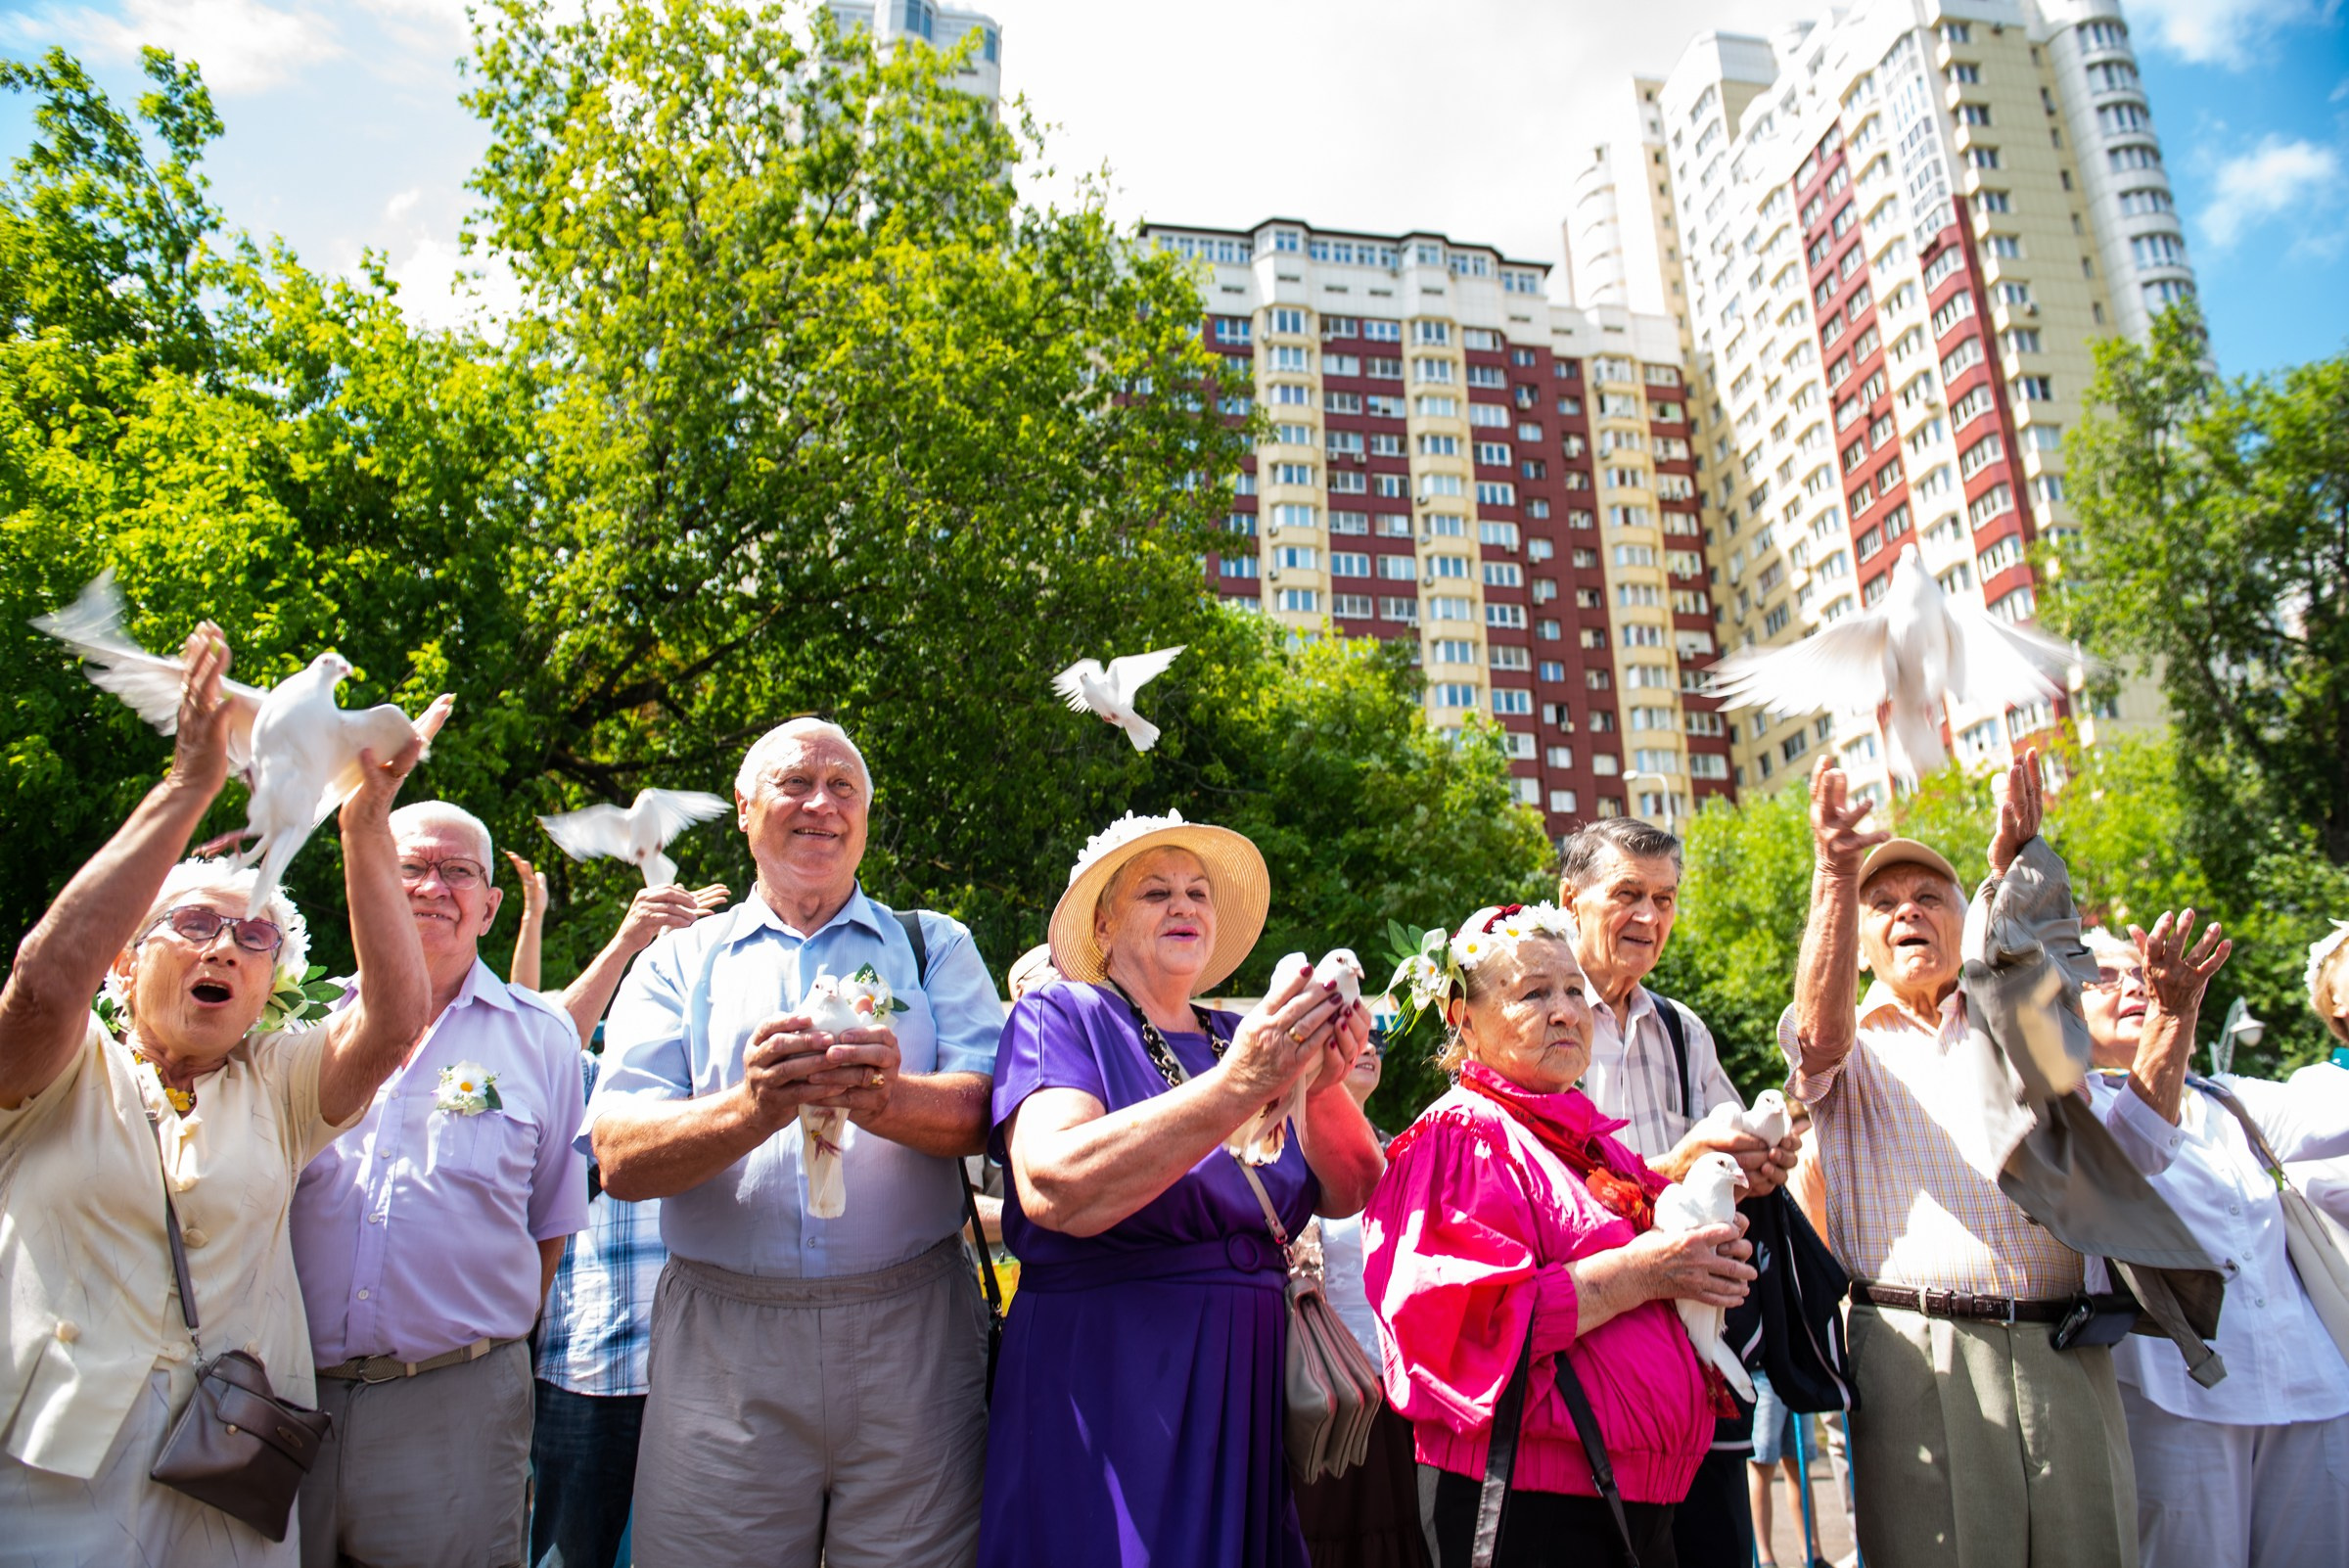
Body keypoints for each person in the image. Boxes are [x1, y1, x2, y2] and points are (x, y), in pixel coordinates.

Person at [0, 623, 436, 1561]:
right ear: (125, 961)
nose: (226, 949)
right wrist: (188, 786)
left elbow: (396, 1022)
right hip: (49, 1472)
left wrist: (366, 824)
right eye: (194, 925)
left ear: (269, 985)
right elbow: (40, 986)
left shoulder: (275, 1085)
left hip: (229, 1471)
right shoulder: (59, 1070)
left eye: (254, 938)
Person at [586, 717, 1006, 1568]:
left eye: (843, 786)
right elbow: (618, 1156)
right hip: (725, 1347)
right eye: (795, 784)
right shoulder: (677, 961)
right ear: (744, 809)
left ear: (866, 818)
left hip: (913, 1336)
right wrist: (752, 1109)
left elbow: (994, 1112)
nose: (822, 804)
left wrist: (884, 1097)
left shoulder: (935, 944)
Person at [979, 809, 1385, 1568]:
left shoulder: (1242, 1036)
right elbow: (1055, 1185)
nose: (1184, 905)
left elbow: (1354, 1185)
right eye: (1156, 892)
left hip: (1245, 1377)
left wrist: (1321, 1079)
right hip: (1115, 1371)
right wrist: (1241, 1086)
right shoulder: (1063, 1015)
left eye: (1198, 892)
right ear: (1104, 925)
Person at [1781, 751, 2139, 1567]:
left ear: (1963, 919)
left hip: (2066, 1349)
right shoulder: (1847, 1048)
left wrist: (2016, 871)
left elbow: (2053, 987)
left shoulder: (2020, 1021)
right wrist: (1835, 873)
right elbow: (1818, 1035)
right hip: (1922, 1356)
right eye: (1883, 904)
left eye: (1929, 897)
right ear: (1859, 943)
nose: (1908, 911)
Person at [1368, 901, 1756, 1567]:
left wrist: (1707, 1253)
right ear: (1464, 1020)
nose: (1566, 1012)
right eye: (1534, 994)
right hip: (1531, 1505)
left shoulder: (1592, 1145)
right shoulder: (1465, 1138)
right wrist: (1644, 1272)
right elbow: (1462, 1327)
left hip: (1629, 1502)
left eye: (1575, 991)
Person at [292, 802, 592, 1568]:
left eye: (458, 871)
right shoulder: (297, 1026)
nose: (433, 887)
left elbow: (549, 1226)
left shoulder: (542, 1039)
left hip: (457, 1407)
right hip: (289, 1398)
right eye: (409, 867)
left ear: (489, 908)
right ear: (368, 885)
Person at [1558, 817, 1804, 1566]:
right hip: (1585, 1361)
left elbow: (1728, 1170)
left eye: (1664, 900)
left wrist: (1760, 1162)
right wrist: (1678, 1163)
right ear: (1570, 900)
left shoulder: (1682, 1028)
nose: (1648, 916)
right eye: (1627, 894)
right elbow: (1543, 1199)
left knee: (1713, 1547)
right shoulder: (1535, 1021)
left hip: (1695, 1360)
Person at [2080, 918, 2349, 1566]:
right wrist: (2171, 1021)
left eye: (2141, 973)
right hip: (2176, 1401)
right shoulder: (2069, 1109)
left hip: (2311, 1387)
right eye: (2104, 978)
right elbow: (2124, 1162)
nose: (2135, 986)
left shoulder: (2230, 1099)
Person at [530, 882, 730, 1568]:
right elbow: (542, 1047)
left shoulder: (736, 1081)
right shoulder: (592, 1075)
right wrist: (627, 942)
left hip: (712, 1375)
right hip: (593, 1371)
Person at [1293, 1030, 1432, 1568]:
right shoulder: (1283, 1151)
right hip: (1324, 1387)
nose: (1369, 1047)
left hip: (1393, 1386)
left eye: (1377, 1039)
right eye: (1351, 1036)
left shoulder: (1399, 1152)